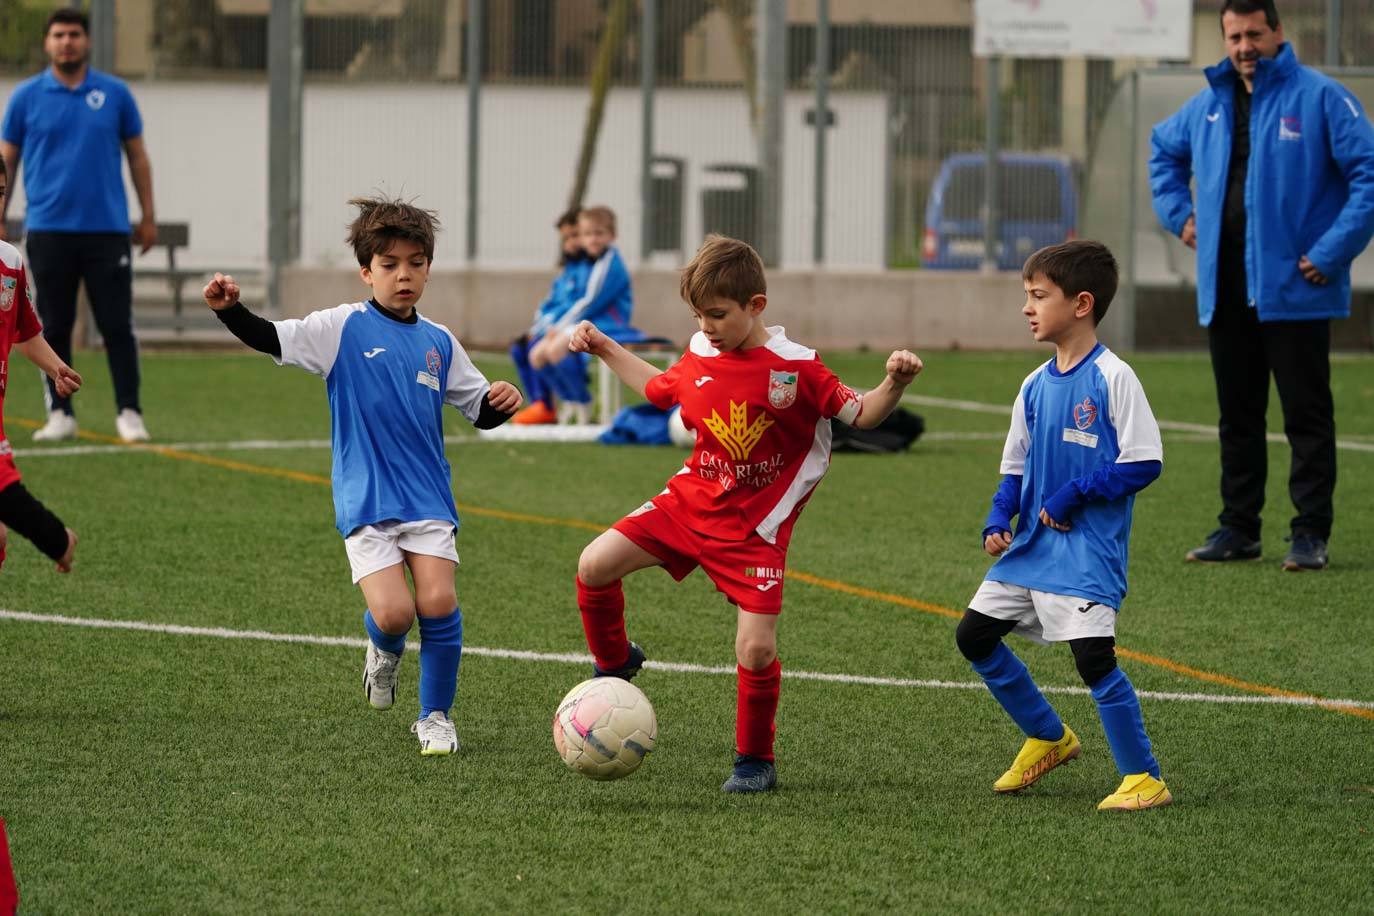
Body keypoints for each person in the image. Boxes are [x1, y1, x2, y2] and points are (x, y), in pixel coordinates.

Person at [568, 234, 922, 792]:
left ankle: (755, 760)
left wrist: (894, 383)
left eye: (717, 315)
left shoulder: (798, 367)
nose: (707, 327)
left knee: (755, 649)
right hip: (688, 503)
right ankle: (614, 662)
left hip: (756, 530)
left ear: (756, 306)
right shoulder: (701, 352)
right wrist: (604, 346)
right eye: (698, 315)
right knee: (593, 565)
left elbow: (864, 414)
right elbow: (661, 389)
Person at [202, 196, 522, 755]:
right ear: (366, 271)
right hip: (367, 496)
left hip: (427, 496)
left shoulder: (440, 342)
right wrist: (231, 310)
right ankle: (383, 651)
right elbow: (271, 336)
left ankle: (435, 716)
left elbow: (479, 410)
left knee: (439, 603)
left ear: (428, 268)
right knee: (395, 613)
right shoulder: (339, 328)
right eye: (391, 264)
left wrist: (502, 400)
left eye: (416, 262)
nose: (404, 275)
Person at [1149, 0, 1374, 571]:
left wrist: (1330, 252)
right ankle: (1238, 528)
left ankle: (1309, 533)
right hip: (1225, 287)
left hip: (1295, 290)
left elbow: (1367, 176)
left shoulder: (1322, 97)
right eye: (1233, 37)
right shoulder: (1207, 107)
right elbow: (1162, 153)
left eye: (1254, 34)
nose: (1244, 47)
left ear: (1278, 32)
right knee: (1238, 416)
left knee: (1306, 416)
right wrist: (1182, 216)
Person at [957, 240, 1170, 812]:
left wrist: (1078, 492)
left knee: (1094, 661)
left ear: (1081, 303)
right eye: (1025, 296)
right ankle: (1049, 736)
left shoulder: (1113, 376)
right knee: (974, 636)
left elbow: (1144, 460)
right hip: (1031, 548)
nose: (1027, 307)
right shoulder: (1033, 385)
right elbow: (1015, 466)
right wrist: (999, 516)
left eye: (1037, 296)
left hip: (1085, 553)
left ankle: (1143, 778)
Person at [0, 7, 157, 444]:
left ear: (86, 42)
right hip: (48, 229)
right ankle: (60, 412)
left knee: (116, 326)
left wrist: (148, 215)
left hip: (106, 231)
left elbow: (138, 156)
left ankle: (129, 412)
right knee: (51, 324)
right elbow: (6, 160)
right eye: (58, 35)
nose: (66, 42)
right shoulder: (26, 97)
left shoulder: (115, 94)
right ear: (47, 43)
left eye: (73, 34)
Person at [0, 158, 80, 575]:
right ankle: (59, 540)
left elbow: (25, 332)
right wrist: (56, 540)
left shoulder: (9, 262)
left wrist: (55, 368)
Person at [530, 205, 643, 424]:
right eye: (588, 234)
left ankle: (583, 401)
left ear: (612, 236)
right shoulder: (587, 263)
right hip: (587, 322)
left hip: (609, 324)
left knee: (555, 349)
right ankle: (570, 398)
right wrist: (548, 327)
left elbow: (590, 301)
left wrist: (558, 328)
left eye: (599, 234)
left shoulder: (610, 263)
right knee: (537, 355)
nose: (593, 239)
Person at [510, 209, 589, 425]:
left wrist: (546, 330)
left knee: (537, 345)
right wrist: (538, 328)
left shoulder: (590, 270)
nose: (570, 243)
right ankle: (540, 403)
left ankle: (550, 405)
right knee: (519, 347)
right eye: (566, 238)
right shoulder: (568, 271)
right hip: (554, 328)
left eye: (575, 235)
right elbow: (549, 305)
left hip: (574, 329)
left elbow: (581, 307)